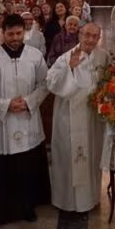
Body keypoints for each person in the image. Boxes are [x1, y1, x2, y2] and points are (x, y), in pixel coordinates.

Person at [0, 14, 51, 224]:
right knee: (4, 167)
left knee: (26, 166)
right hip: (1, 120)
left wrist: (29, 101)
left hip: (28, 116)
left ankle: (28, 206)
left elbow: (44, 84)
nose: (14, 38)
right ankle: (3, 210)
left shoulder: (35, 55)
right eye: (10, 33)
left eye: (18, 33)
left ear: (24, 32)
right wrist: (5, 105)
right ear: (2, 33)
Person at [46, 21, 109, 211]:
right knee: (69, 157)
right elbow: (51, 82)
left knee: (92, 155)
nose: (90, 39)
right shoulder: (66, 57)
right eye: (86, 35)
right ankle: (67, 201)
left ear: (99, 38)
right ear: (79, 35)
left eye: (94, 36)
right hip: (69, 116)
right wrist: (70, 68)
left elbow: (108, 81)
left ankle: (91, 198)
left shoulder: (103, 56)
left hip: (93, 118)